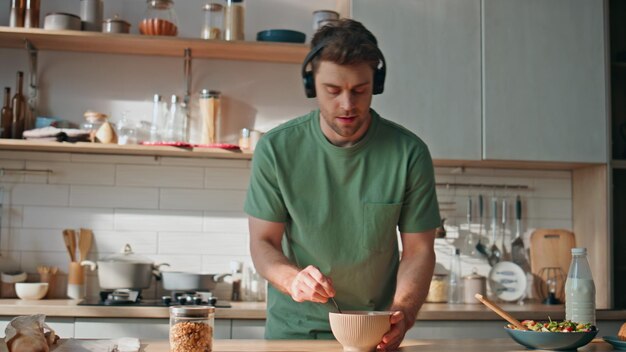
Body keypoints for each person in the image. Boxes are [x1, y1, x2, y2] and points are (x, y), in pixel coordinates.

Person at [244, 18, 440, 350]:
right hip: (294, 334)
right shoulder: (276, 149)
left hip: (374, 332)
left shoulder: (409, 153)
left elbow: (419, 251)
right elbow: (263, 244)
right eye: (333, 91)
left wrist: (403, 312)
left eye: (360, 90)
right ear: (311, 85)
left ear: (375, 83)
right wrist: (293, 280)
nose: (347, 105)